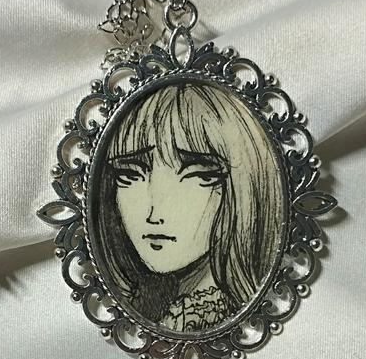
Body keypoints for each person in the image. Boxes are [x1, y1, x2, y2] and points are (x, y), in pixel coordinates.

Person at [95, 80, 284, 333]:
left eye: (198, 175)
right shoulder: (143, 307)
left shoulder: (230, 314)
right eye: (130, 175)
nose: (154, 214)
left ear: (242, 186)